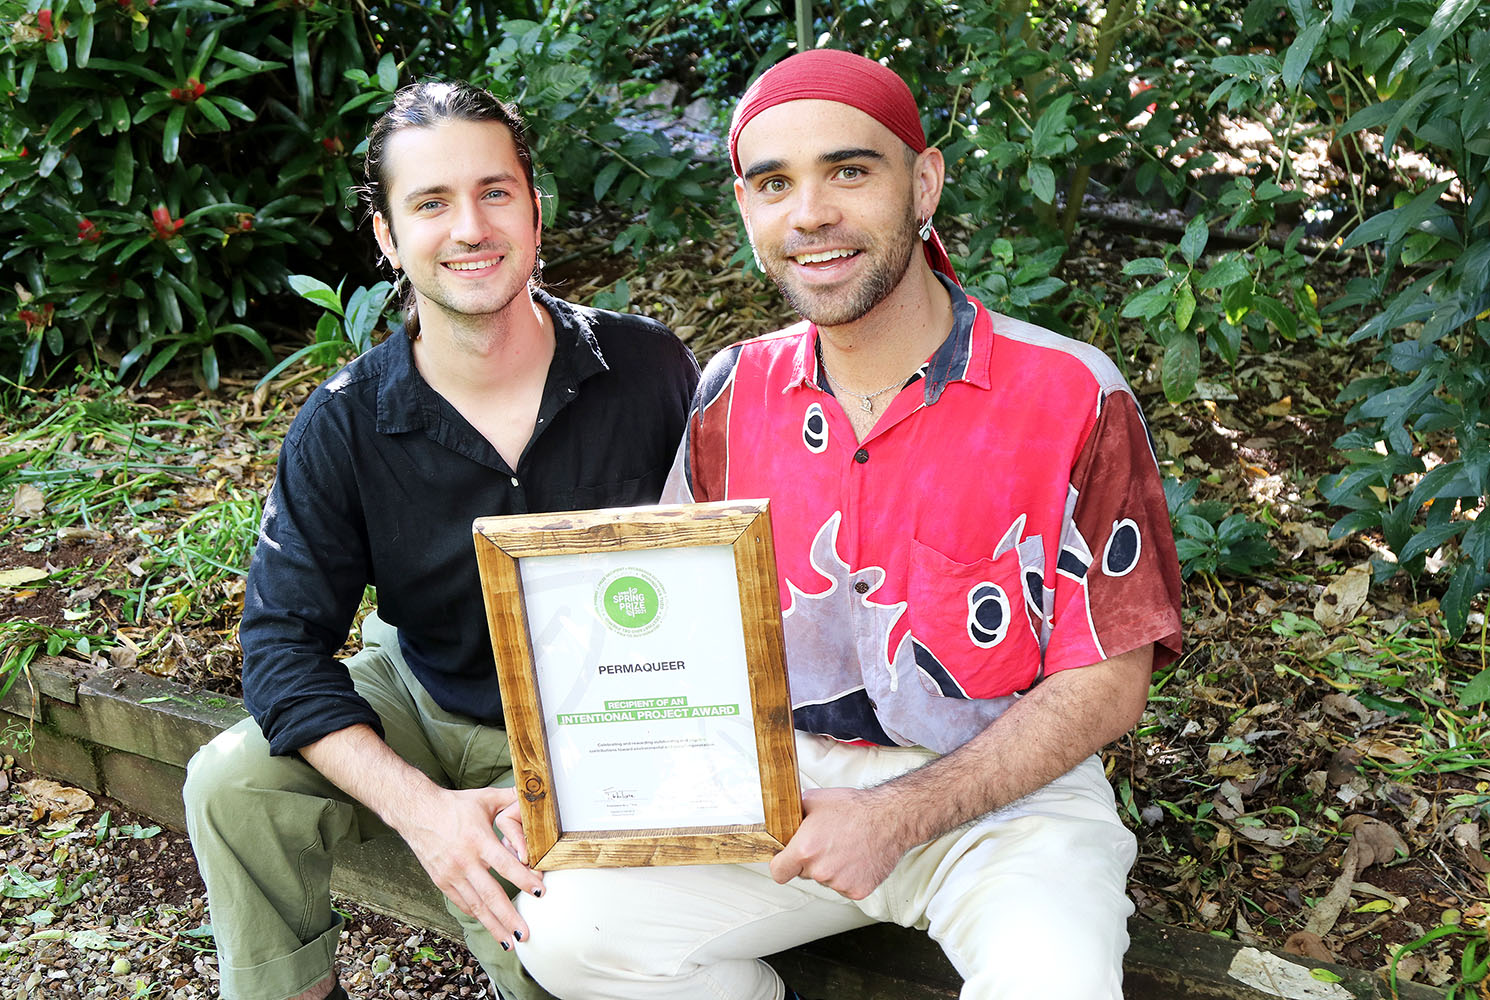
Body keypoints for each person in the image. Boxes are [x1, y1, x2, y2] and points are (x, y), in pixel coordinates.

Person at [512, 49, 1183, 1000]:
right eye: (774, 183)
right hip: (781, 790)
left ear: (926, 181)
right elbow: (670, 644)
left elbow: (1110, 681)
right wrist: (575, 784)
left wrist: (898, 817)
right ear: (746, 208)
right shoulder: (731, 395)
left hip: (1007, 798)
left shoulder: (1069, 393)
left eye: (850, 170)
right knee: (569, 934)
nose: (811, 213)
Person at [182, 81, 699, 1000]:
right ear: (387, 237)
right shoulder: (343, 425)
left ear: (535, 209)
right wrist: (423, 813)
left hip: (592, 730)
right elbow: (278, 647)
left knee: (553, 950)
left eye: (495, 191)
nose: (471, 226)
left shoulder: (650, 370)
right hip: (419, 692)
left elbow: (716, 580)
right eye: (430, 203)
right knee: (231, 786)